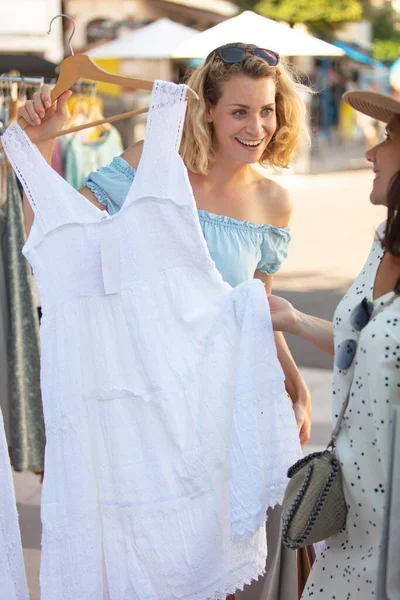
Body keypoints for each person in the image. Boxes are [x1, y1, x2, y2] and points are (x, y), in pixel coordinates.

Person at [18, 42, 312, 598]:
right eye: (240, 112)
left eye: (267, 110)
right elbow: (62, 241)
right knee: (160, 563)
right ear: (206, 109)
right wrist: (37, 147)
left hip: (232, 405)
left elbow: (258, 302)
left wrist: (294, 383)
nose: (257, 127)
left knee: (235, 568)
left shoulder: (274, 202)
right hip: (154, 410)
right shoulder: (151, 163)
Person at [268, 90, 400, 598]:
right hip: (348, 516)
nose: (370, 152)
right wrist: (294, 320)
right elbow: (363, 347)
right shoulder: (383, 241)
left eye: (387, 138)